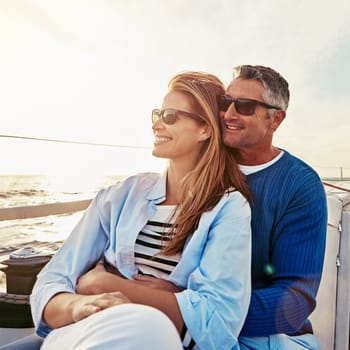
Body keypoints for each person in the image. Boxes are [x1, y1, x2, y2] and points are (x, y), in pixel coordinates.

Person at [30, 71, 252, 350]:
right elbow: (52, 281)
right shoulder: (120, 196)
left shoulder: (228, 207)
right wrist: (78, 305)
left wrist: (102, 283)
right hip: (89, 329)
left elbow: (218, 320)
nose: (157, 125)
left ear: (204, 129)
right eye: (156, 114)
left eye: (170, 116)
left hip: (160, 339)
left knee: (151, 327)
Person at [216, 65, 327, 349]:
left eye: (245, 106)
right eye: (225, 102)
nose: (229, 114)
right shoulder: (204, 170)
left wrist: (192, 309)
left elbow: (294, 301)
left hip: (271, 336)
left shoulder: (300, 185)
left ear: (276, 119)